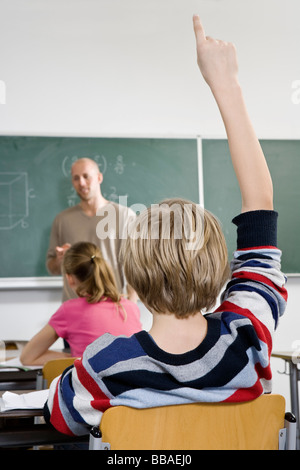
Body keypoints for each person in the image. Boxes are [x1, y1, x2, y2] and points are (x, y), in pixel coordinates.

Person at [44, 15, 287, 437]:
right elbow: (260, 206)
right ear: (220, 269)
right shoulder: (248, 339)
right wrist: (226, 85)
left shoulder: (105, 364)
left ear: (133, 271)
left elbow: (60, 418)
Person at [20, 242, 142, 365]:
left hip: (91, 383)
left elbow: (27, 358)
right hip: (132, 383)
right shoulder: (131, 307)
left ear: (70, 279)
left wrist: (77, 358)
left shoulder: (68, 311)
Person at [46, 157, 138, 303]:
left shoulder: (125, 216)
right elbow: (53, 268)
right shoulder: (62, 220)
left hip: (112, 306)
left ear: (99, 177)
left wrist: (131, 308)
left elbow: (136, 267)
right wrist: (60, 260)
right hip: (74, 309)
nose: (81, 183)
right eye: (76, 178)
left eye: (86, 176)